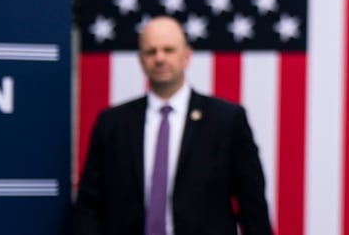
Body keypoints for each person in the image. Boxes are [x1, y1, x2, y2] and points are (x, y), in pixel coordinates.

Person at [72, 16, 272, 235]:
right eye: (151, 51)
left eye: (169, 50)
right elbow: (89, 205)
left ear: (186, 56)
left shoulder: (226, 120)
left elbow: (253, 205)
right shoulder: (112, 123)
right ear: (141, 59)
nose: (160, 58)